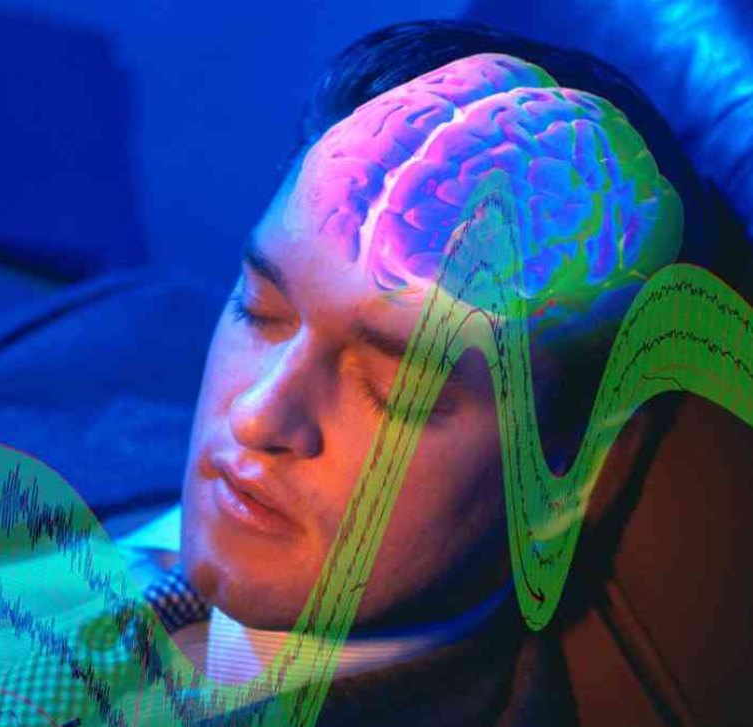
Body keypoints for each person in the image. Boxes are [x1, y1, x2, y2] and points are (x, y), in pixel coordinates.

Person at [119, 18, 706, 727]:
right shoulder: (116, 324)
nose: (257, 415)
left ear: (582, 470)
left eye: (398, 389)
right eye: (261, 308)